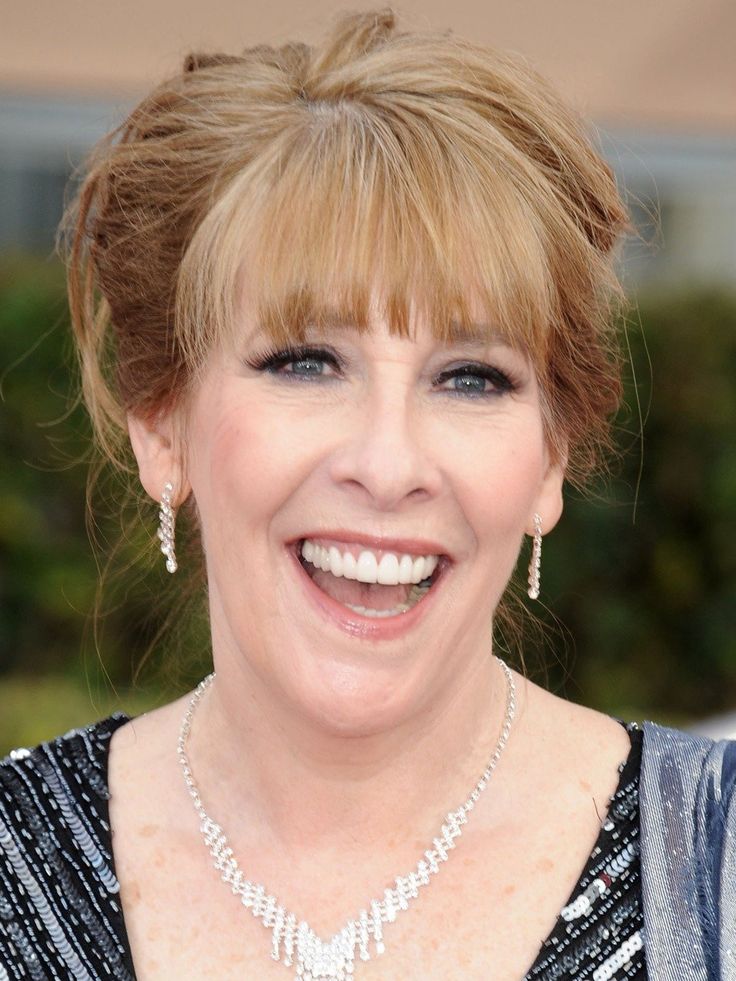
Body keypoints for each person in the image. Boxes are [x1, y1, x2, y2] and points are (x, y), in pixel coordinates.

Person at [1, 9, 734, 980]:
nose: (388, 465)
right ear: (161, 420)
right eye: (306, 362)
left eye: (471, 377)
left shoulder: (716, 875)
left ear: (551, 458)